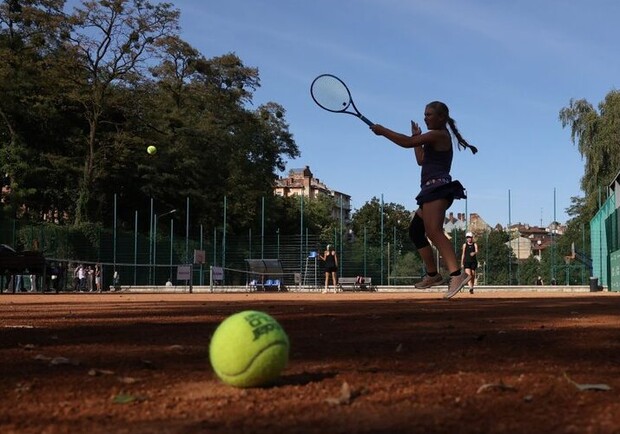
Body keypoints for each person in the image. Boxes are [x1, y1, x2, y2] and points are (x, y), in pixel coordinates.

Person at [371, 101, 478, 299]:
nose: (425, 117)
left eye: (429, 114)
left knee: (434, 231)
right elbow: (420, 159)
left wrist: (382, 130)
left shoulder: (439, 134)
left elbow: (405, 143)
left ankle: (457, 275)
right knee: (416, 231)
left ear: (441, 118)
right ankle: (433, 274)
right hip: (430, 190)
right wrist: (416, 138)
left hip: (438, 188)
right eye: (424, 114)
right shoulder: (432, 138)